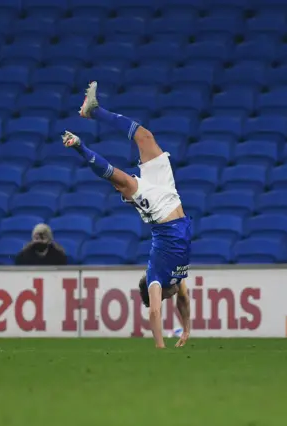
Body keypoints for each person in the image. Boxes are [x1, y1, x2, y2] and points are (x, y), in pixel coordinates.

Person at [63, 81, 192, 349]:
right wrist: (187, 329)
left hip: (158, 211)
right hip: (170, 196)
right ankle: (83, 138)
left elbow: (155, 312)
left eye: (162, 297)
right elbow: (184, 300)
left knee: (122, 175)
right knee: (144, 140)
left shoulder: (157, 275)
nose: (167, 299)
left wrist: (160, 345)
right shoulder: (177, 278)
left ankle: (89, 123)